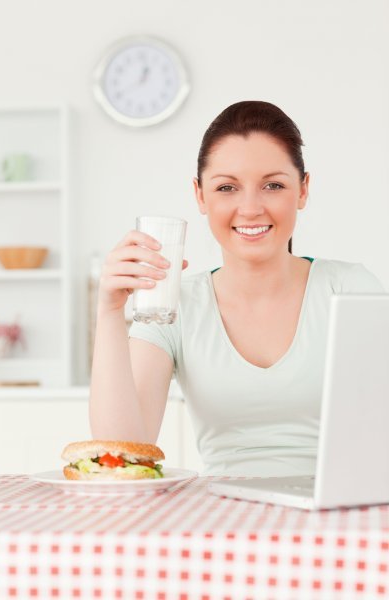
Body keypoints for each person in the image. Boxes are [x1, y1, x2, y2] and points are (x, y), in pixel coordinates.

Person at [89, 100, 385, 476]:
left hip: (339, 515)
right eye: (227, 187)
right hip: (223, 518)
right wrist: (110, 312)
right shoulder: (174, 304)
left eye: (273, 185)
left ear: (303, 190)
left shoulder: (351, 289)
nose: (250, 208)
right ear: (200, 195)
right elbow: (123, 453)